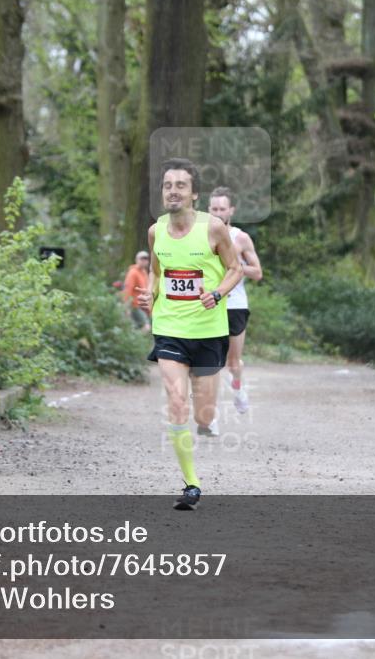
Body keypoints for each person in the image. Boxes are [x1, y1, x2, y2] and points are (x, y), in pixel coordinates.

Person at [136, 158, 242, 510]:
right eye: (168, 185)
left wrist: (217, 293)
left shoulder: (213, 228)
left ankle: (206, 416)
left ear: (194, 194)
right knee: (176, 401)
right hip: (169, 328)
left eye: (181, 185)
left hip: (209, 331)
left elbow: (234, 269)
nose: (173, 191)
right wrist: (150, 293)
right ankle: (191, 484)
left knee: (203, 414)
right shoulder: (156, 231)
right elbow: (156, 271)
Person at [208, 187, 263, 413]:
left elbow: (257, 272)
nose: (219, 212)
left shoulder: (240, 238)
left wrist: (236, 266)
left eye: (222, 208)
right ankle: (208, 410)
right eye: (214, 208)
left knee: (233, 363)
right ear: (208, 210)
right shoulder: (200, 235)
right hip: (208, 303)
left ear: (231, 210)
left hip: (234, 305)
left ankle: (238, 388)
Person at [121, 251, 152, 332]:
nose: (144, 260)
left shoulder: (144, 272)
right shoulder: (133, 273)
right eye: (142, 258)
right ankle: (135, 342)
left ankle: (136, 341)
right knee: (146, 327)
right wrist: (126, 307)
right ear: (136, 260)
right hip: (135, 306)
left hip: (144, 306)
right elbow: (127, 289)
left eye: (146, 258)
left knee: (138, 327)